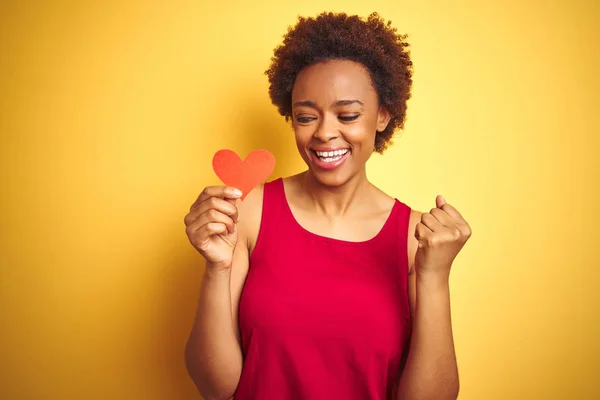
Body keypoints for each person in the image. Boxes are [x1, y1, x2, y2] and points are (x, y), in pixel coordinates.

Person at [183, 11, 471, 400]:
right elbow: (216, 388)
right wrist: (216, 268)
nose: (323, 133)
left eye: (347, 114)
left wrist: (434, 277)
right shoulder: (249, 213)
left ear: (383, 114)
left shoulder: (417, 238)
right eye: (306, 116)